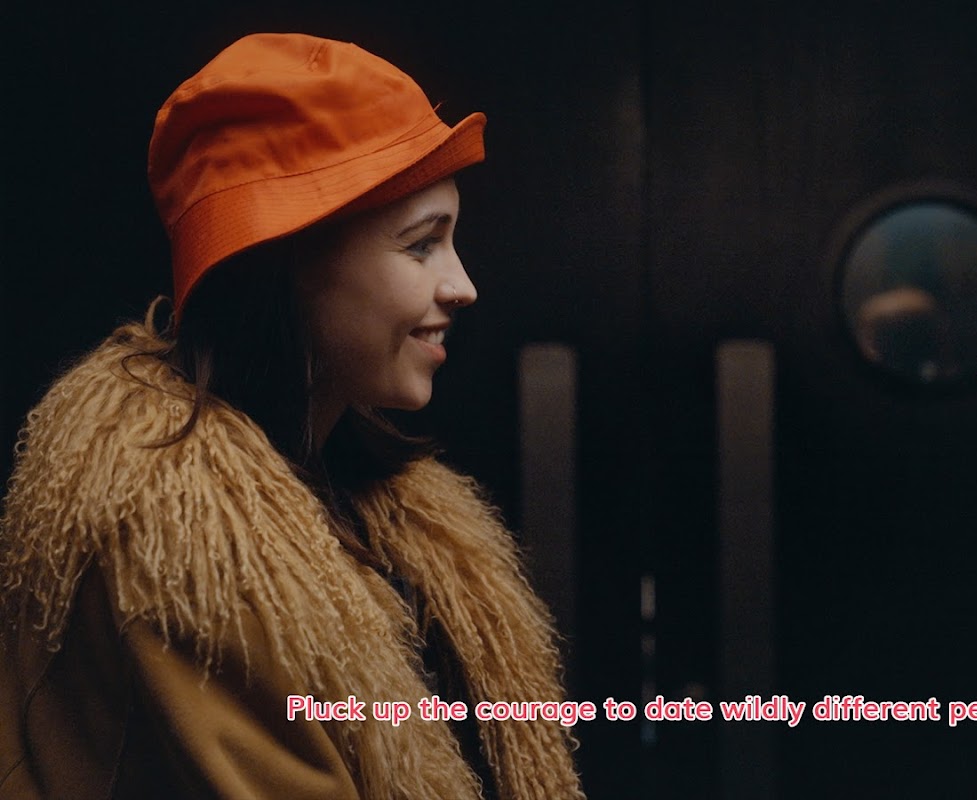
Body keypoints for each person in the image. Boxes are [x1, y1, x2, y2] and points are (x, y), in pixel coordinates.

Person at [0, 33, 584, 799]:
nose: (462, 285)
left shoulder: (358, 497)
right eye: (421, 246)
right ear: (289, 266)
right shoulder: (175, 532)